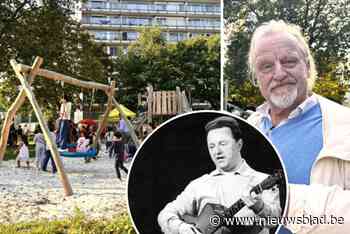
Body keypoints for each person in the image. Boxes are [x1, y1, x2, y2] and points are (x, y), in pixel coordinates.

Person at [246, 20, 350, 233]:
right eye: (266, 66)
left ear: (308, 66)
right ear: (256, 78)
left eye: (289, 61)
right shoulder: (248, 129)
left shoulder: (344, 126)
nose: (279, 73)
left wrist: (286, 200)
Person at [158, 116, 281, 234]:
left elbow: (275, 221)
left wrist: (259, 206)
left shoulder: (262, 180)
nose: (217, 152)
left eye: (223, 144)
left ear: (239, 144)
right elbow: (165, 215)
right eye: (212, 146)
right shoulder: (200, 184)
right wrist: (181, 228)